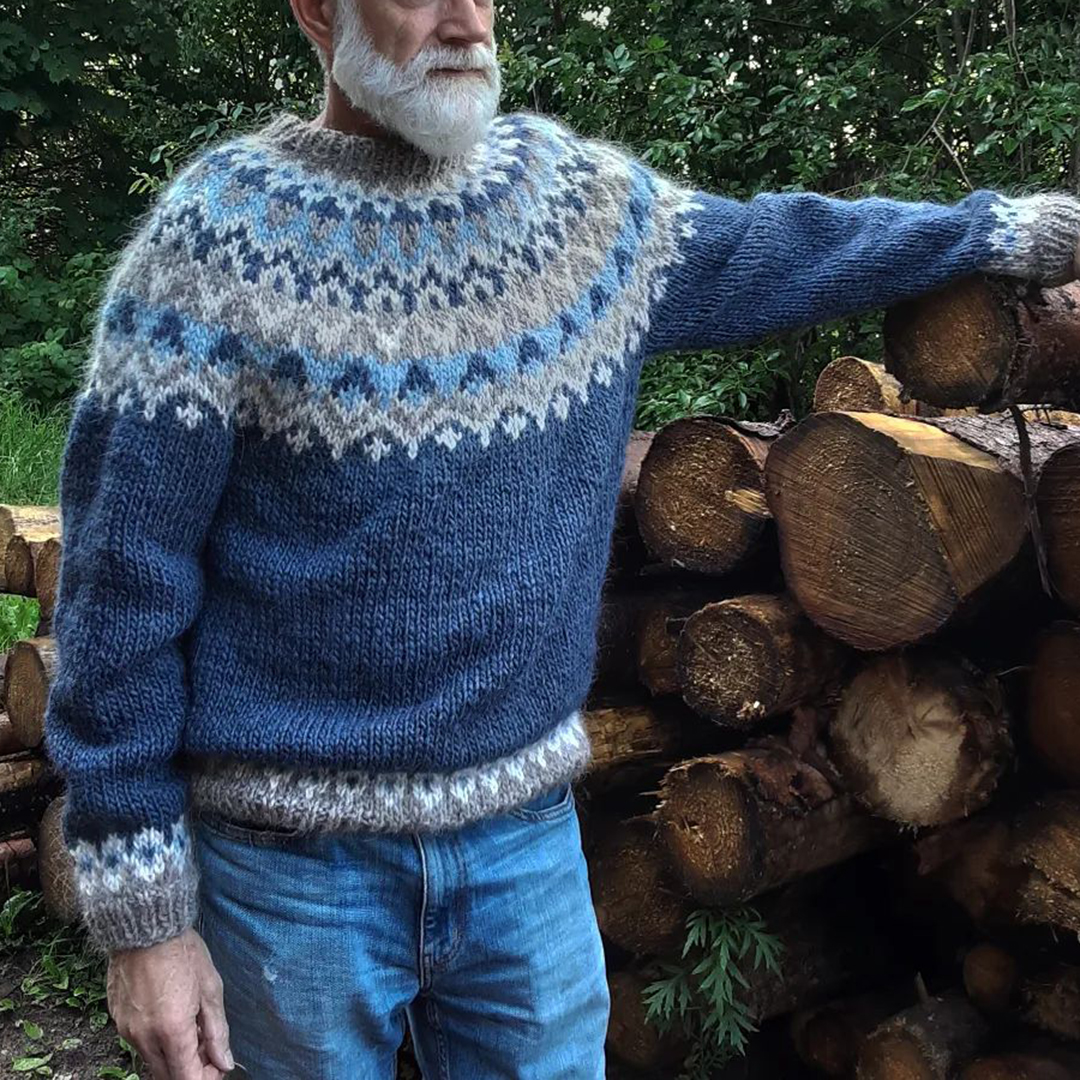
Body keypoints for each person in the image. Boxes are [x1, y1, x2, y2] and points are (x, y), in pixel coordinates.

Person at [42, 0, 1080, 1077]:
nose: (464, 19)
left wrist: (992, 232)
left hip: (524, 851)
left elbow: (785, 246)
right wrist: (144, 920)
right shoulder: (217, 244)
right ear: (317, 11)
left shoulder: (580, 215)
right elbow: (122, 582)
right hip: (287, 874)